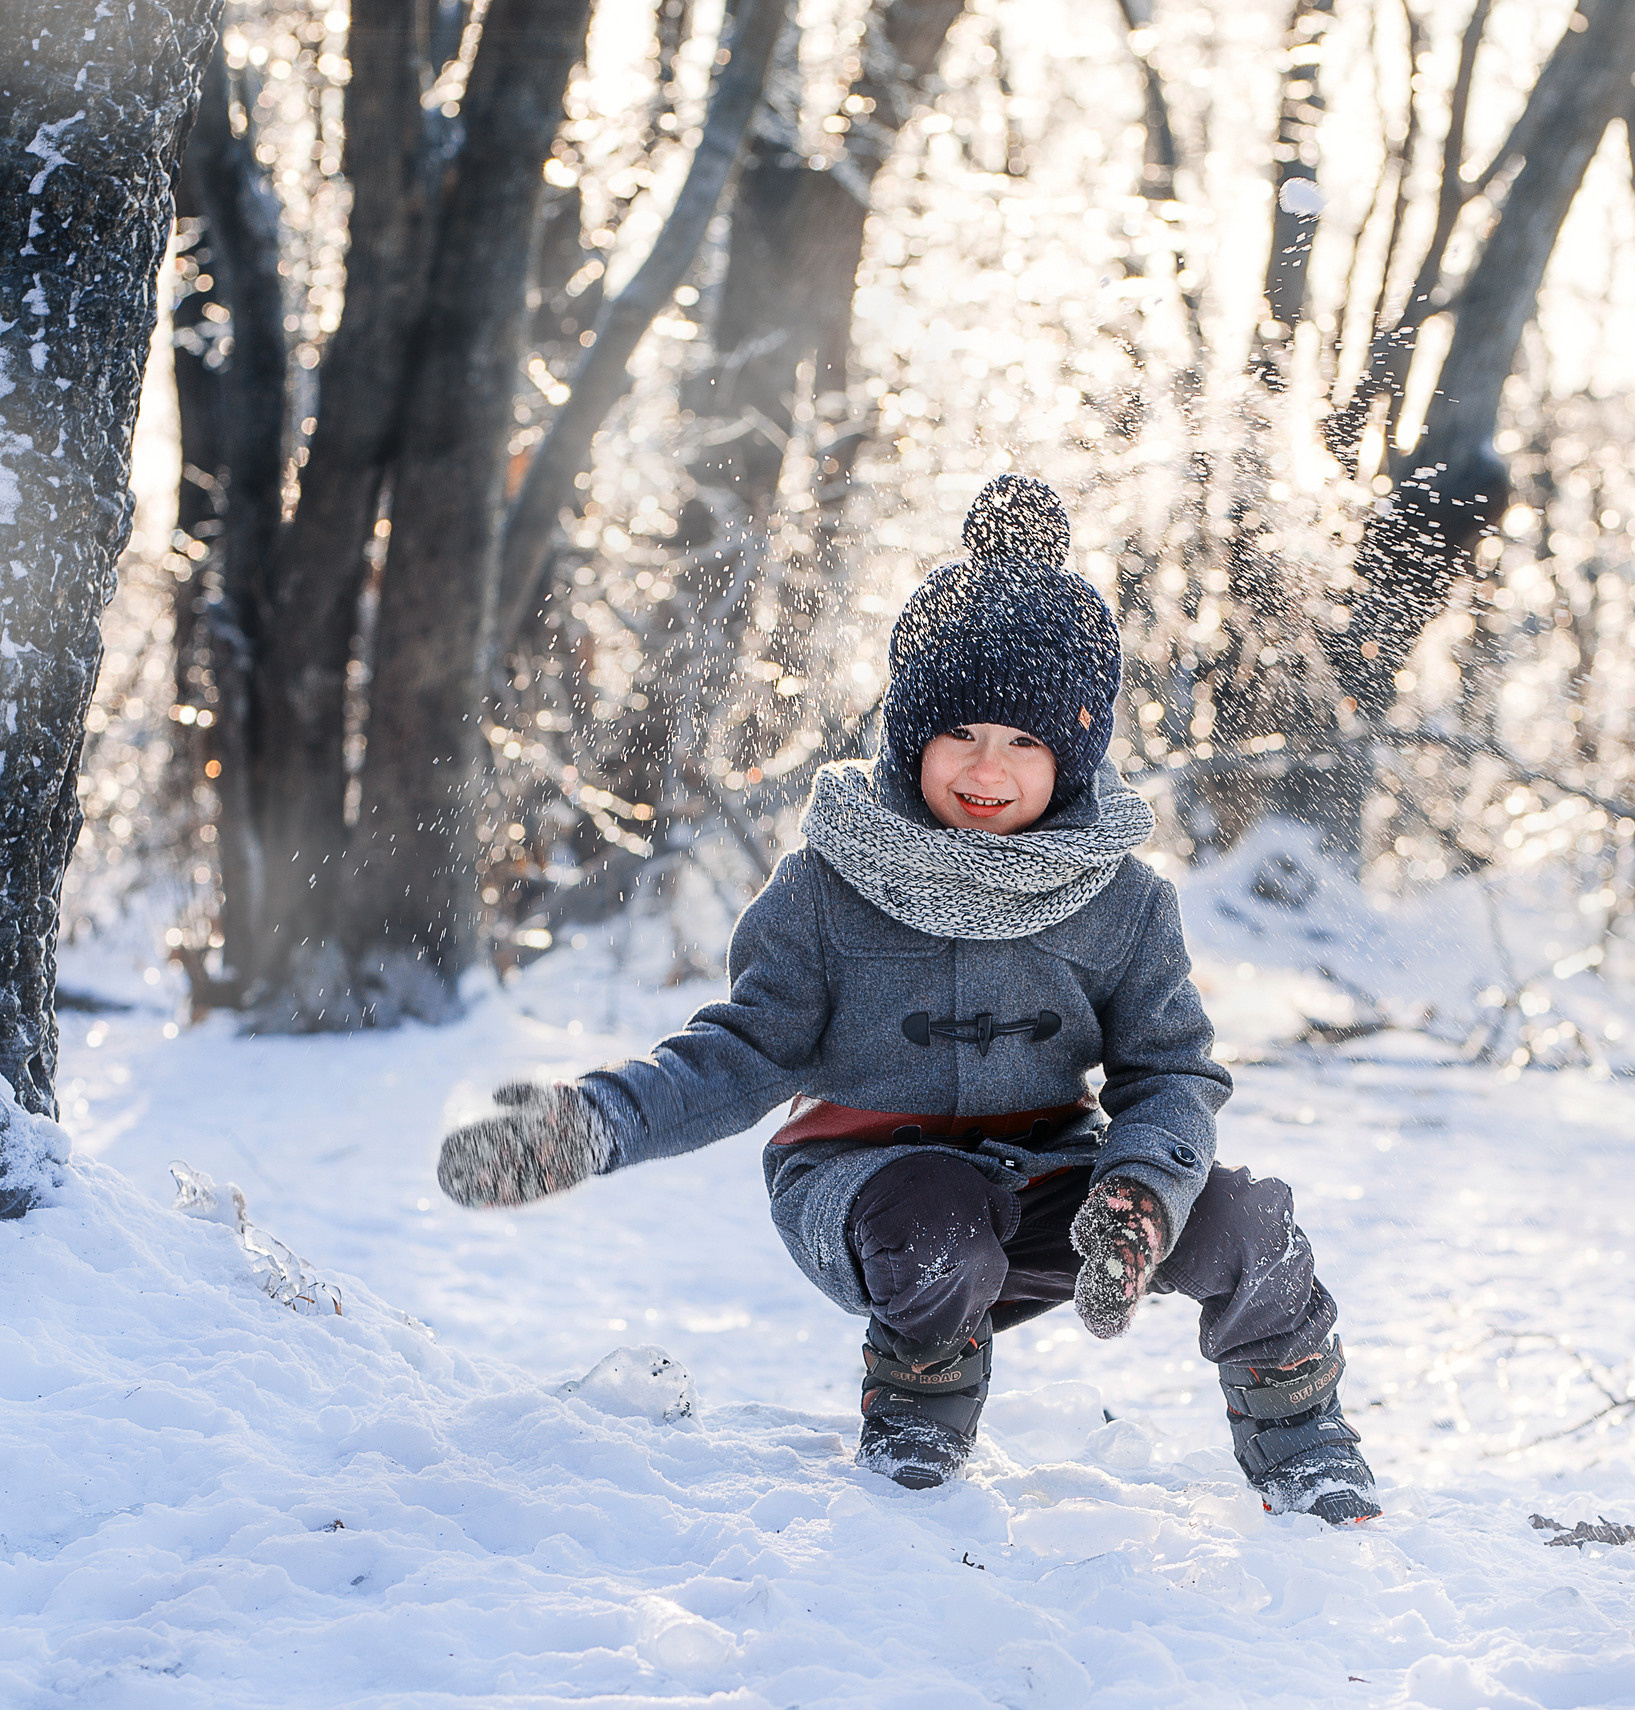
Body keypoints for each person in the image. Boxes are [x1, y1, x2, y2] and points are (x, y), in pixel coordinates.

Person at [434, 473, 1380, 1524]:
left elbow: (1171, 1073)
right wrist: (594, 1124)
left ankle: (1304, 1448)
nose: (990, 767)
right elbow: (739, 1055)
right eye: (961, 732)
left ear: (1071, 756)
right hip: (870, 1184)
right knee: (931, 1210)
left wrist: (1141, 1192)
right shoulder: (832, 887)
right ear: (909, 734)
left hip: (1056, 1183)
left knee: (1247, 1217)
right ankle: (917, 1433)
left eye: (1027, 742)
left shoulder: (1119, 901)